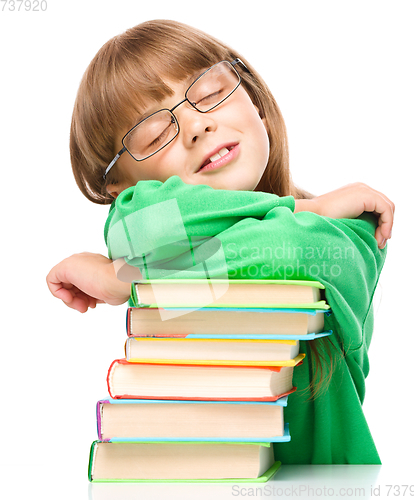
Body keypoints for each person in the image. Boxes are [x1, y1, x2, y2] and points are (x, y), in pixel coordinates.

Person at [47, 20, 394, 464]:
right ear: (122, 189)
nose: (196, 125)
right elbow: (148, 231)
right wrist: (305, 210)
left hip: (325, 478)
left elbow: (285, 250)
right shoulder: (324, 213)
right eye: (154, 134)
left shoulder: (352, 226)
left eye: (210, 93)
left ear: (255, 102)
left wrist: (125, 281)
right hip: (195, 473)